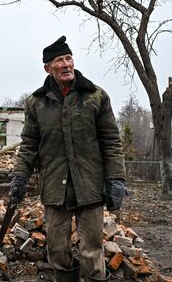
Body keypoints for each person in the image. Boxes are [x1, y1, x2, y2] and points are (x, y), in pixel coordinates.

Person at [9, 36, 128, 282]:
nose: (66, 64)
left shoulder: (95, 96)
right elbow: (29, 145)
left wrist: (116, 178)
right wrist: (19, 177)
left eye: (68, 58)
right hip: (55, 187)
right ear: (47, 68)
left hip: (90, 186)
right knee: (57, 249)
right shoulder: (36, 103)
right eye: (59, 61)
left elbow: (111, 142)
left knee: (92, 249)